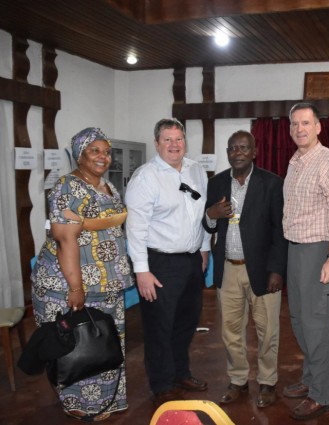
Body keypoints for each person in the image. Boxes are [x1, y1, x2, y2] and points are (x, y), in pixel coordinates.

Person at [30, 127, 133, 421]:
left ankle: (107, 399)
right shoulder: (68, 187)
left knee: (105, 341)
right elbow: (65, 239)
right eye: (94, 151)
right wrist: (76, 287)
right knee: (76, 344)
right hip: (69, 284)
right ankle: (78, 401)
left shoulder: (107, 186)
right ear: (79, 155)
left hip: (106, 283)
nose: (103, 157)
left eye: (106, 151)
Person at [125, 118, 211, 406]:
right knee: (159, 326)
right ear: (156, 143)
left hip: (191, 261)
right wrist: (142, 272)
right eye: (167, 140)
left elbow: (201, 216)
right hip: (158, 263)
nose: (174, 145)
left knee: (186, 323)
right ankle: (162, 383)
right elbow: (135, 230)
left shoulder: (196, 169)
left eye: (179, 139)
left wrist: (204, 249)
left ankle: (181, 373)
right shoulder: (145, 177)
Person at [202, 130, 287, 408]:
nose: (237, 153)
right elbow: (208, 225)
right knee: (230, 331)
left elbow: (280, 230)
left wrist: (276, 270)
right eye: (232, 148)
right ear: (227, 153)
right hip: (228, 269)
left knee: (267, 331)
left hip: (262, 270)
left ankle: (267, 382)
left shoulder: (272, 183)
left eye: (243, 148)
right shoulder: (215, 183)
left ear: (254, 152)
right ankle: (238, 380)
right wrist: (210, 216)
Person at [282, 102, 329, 420]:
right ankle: (311, 380)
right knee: (299, 320)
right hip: (294, 250)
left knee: (318, 324)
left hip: (318, 251)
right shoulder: (296, 161)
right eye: (295, 124)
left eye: (306, 123)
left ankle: (323, 394)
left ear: (318, 127)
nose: (300, 129)